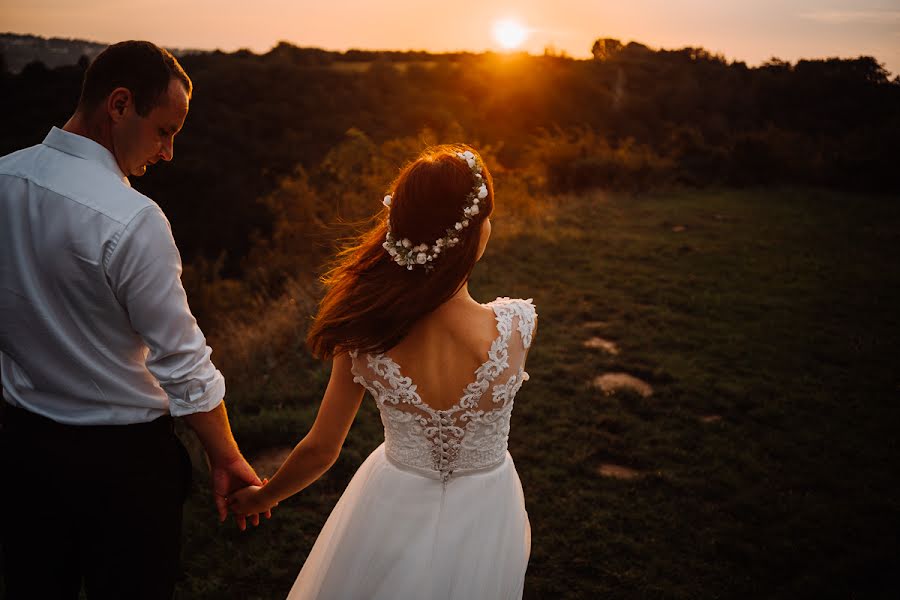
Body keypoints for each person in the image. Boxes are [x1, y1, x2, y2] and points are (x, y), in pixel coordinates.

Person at [0, 41, 264, 599]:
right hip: (121, 468)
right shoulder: (133, 219)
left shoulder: (5, 178)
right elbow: (183, 362)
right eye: (165, 131)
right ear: (119, 105)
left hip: (22, 452)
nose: (168, 153)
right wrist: (228, 456)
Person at [229, 145, 537, 599]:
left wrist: (261, 497)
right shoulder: (518, 326)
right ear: (470, 233)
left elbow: (320, 449)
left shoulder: (365, 333)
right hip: (489, 509)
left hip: (391, 501)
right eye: (486, 217)